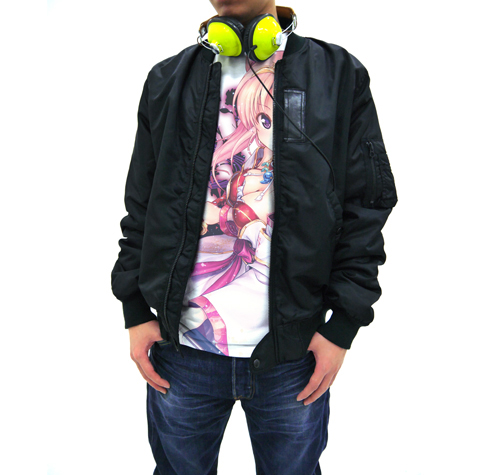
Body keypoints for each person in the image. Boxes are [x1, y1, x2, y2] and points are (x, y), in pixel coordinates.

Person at [111, 0, 397, 473]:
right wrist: (135, 310)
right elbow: (142, 202)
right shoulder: (167, 81)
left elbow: (366, 204)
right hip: (182, 353)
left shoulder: (339, 75)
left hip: (294, 355)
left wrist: (342, 326)